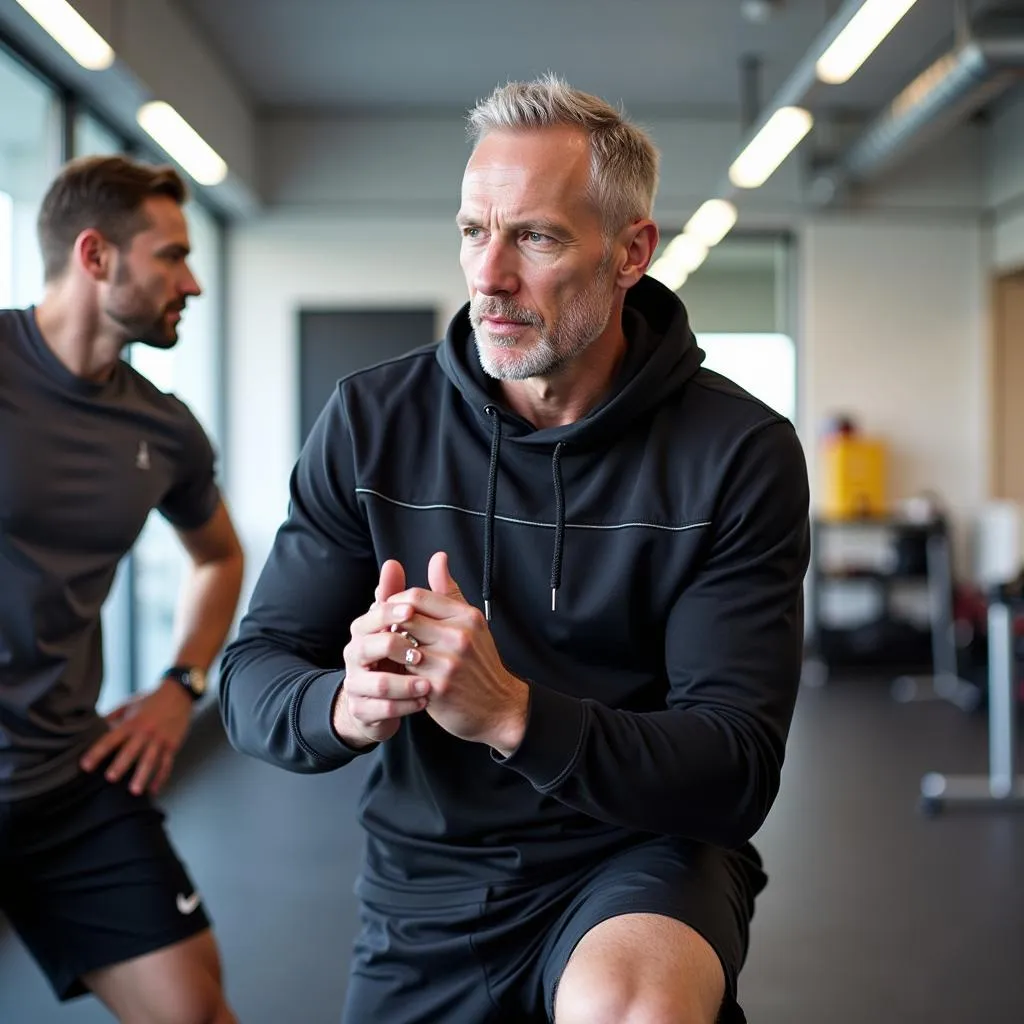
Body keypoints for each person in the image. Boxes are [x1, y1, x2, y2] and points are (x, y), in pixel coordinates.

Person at [220, 75, 809, 1024]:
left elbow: (735, 764)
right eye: (471, 232)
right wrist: (344, 702)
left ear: (631, 253)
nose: (488, 276)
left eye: (534, 237)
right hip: (430, 876)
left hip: (641, 850)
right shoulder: (373, 422)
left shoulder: (737, 452)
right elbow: (251, 675)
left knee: (634, 1013)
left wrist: (513, 715)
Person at [0, 156, 243, 1024]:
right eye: (172, 256)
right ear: (97, 255)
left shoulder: (164, 429)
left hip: (65, 777)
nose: (194, 281)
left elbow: (219, 557)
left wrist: (183, 685)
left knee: (196, 1011)